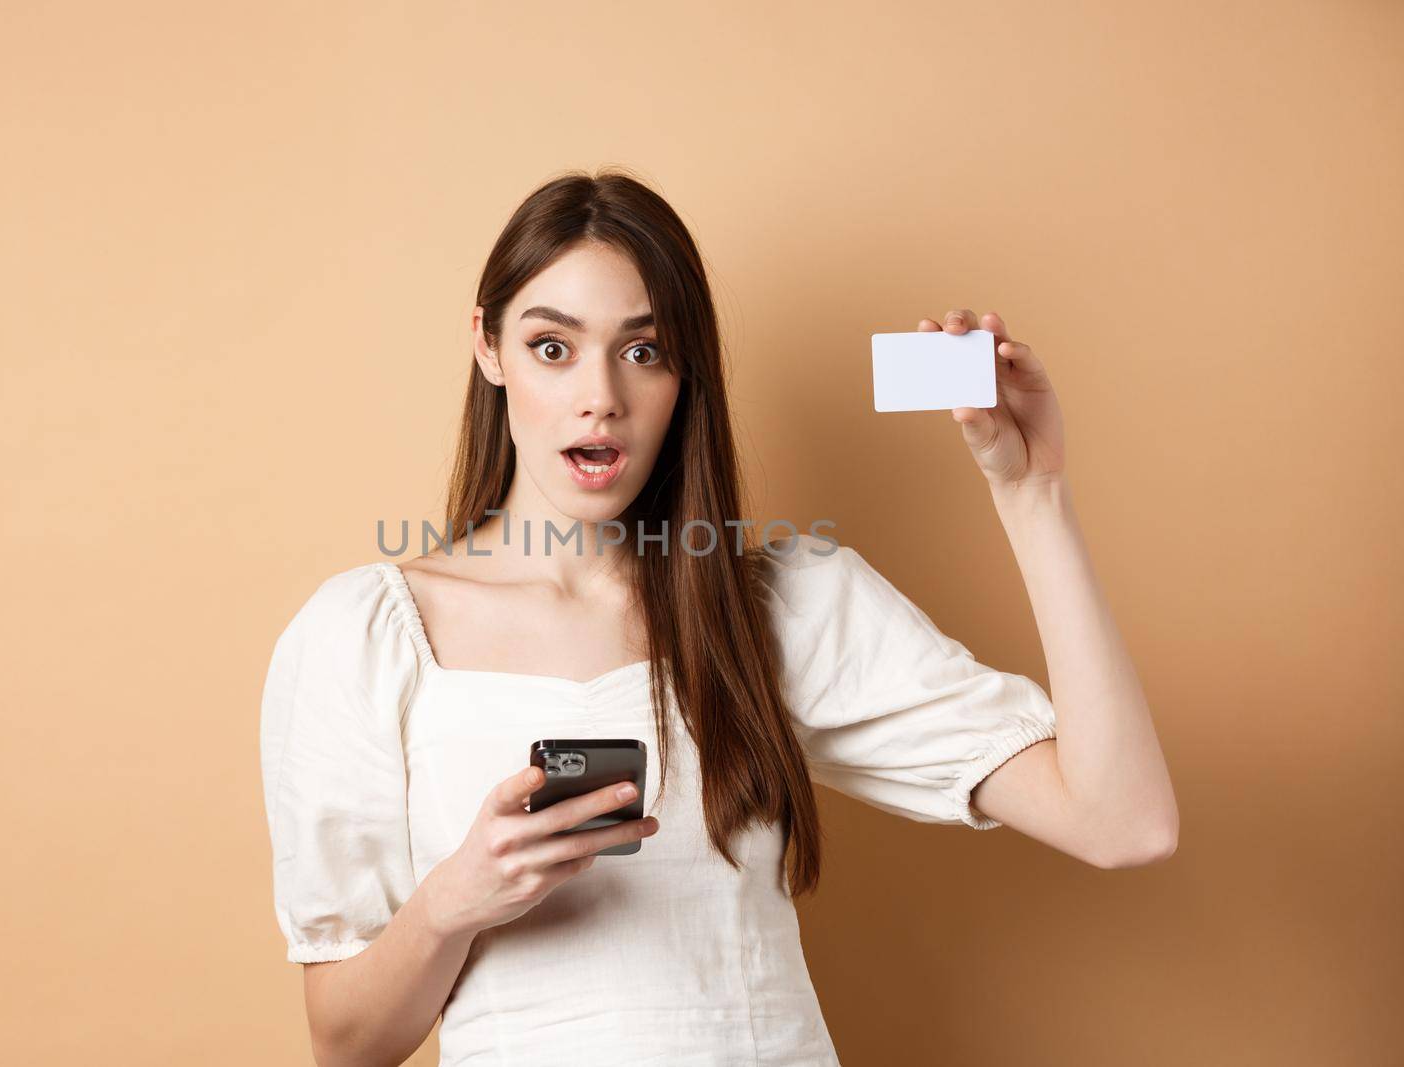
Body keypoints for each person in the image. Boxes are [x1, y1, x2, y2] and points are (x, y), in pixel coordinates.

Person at [258, 167, 1178, 1067]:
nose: (601, 397)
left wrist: (1033, 492)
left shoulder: (774, 606)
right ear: (487, 346)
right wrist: (453, 899)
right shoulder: (366, 636)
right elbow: (345, 1043)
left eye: (643, 350)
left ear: (685, 374)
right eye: (553, 346)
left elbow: (1123, 822)